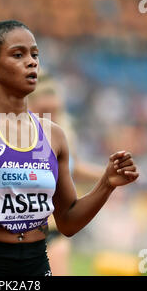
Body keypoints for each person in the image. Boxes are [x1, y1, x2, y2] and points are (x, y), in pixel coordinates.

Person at [0, 20, 139, 276]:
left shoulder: (54, 136)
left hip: (36, 263)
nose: (32, 62)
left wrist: (106, 184)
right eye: (18, 54)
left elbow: (68, 222)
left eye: (34, 54)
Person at [27, 71, 104, 275]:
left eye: (55, 110)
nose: (50, 116)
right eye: (44, 110)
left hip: (53, 230)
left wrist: (108, 176)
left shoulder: (63, 135)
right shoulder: (15, 139)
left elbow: (72, 169)